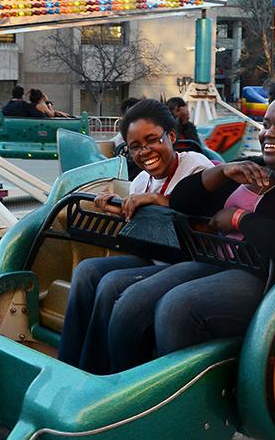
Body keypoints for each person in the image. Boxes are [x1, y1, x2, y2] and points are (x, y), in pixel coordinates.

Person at [102, 74, 275, 373]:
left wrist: (238, 218)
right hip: (218, 262)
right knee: (133, 297)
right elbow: (184, 201)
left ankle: (172, 406)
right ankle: (115, 387)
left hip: (266, 281)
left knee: (178, 306)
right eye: (267, 124)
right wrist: (222, 172)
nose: (267, 134)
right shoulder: (257, 167)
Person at [57, 99, 214, 375]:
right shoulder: (141, 180)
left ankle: (103, 373)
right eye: (136, 146)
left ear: (172, 137)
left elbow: (200, 219)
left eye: (152, 141)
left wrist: (155, 200)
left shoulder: (195, 166)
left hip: (190, 260)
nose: (145, 151)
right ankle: (69, 364)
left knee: (112, 285)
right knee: (87, 271)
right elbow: (145, 227)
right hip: (157, 256)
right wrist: (119, 208)